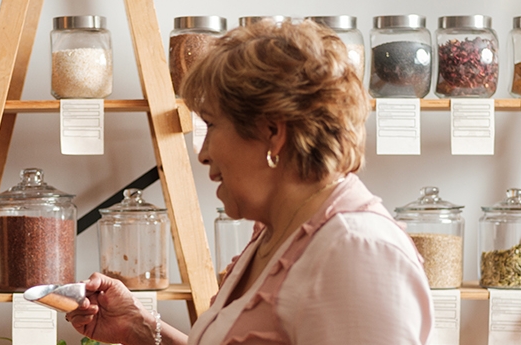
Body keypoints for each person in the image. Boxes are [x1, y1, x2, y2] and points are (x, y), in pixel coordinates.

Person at [63, 21, 433, 345]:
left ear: (272, 132)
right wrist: (138, 327)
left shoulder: (356, 252)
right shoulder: (274, 233)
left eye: (211, 125)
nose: (203, 153)